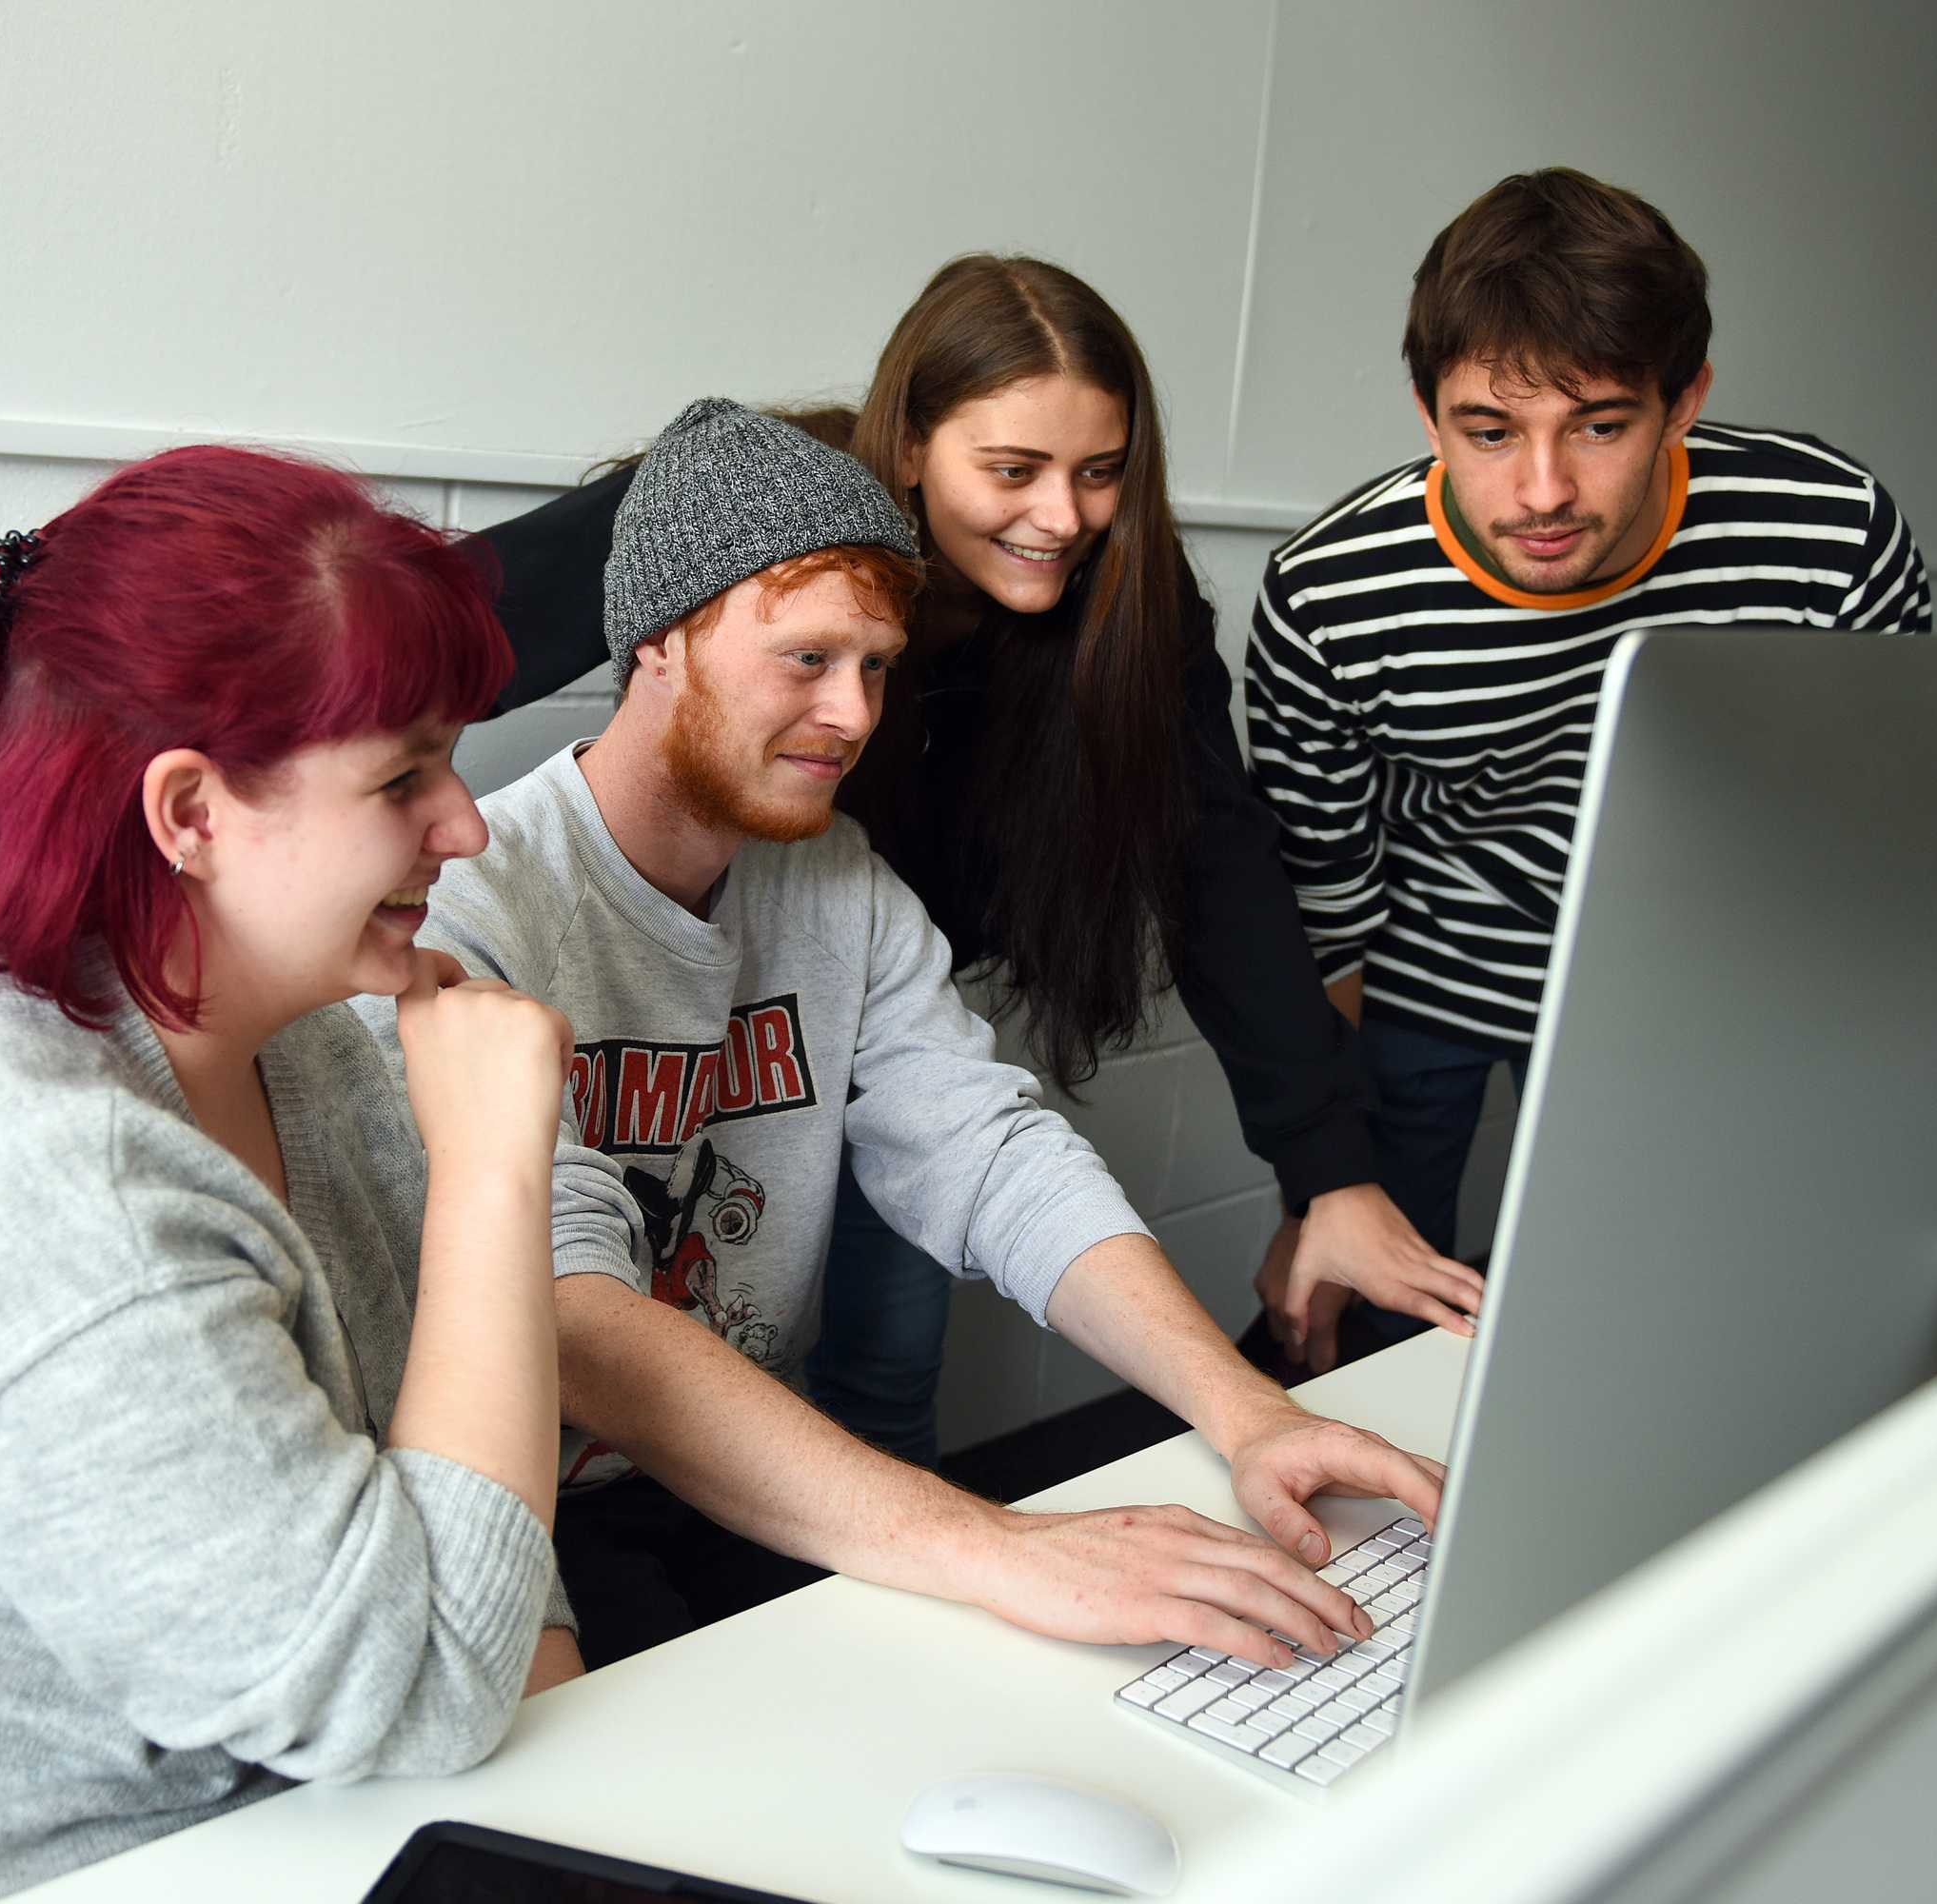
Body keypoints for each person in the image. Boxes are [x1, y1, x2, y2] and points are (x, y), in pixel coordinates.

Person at [0, 447, 590, 1903]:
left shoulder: (304, 1045)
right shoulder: (35, 1187)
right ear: (190, 813)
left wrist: (564, 1767)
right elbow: (422, 1688)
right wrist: (490, 1181)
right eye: (404, 777)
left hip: (275, 1827)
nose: (464, 824)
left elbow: (466, 1479)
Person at [368, 397, 1447, 1680]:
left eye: (876, 665)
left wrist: (1249, 1411)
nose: (851, 712)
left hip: (753, 1473)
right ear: (659, 638)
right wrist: (998, 1543)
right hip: (523, 1522)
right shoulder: (468, 904)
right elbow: (579, 1319)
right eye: (807, 659)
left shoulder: (839, 883)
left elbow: (990, 1155)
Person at [466, 255, 1476, 1467]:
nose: (1060, 516)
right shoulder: (756, 512)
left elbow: (1209, 880)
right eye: (1012, 469)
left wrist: (1317, 1199)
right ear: (907, 449)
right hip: (694, 1035)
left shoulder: (887, 874)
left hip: (873, 1004)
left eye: (1098, 472)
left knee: (886, 1371)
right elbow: (432, 627)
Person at [1246, 167, 1935, 1369]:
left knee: (1647, 1321)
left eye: (1601, 425)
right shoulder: (1329, 593)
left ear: (1684, 402)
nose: (1544, 491)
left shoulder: (1830, 539)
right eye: (1489, 431)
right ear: (1426, 413)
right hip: (1425, 966)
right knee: (1375, 1320)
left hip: (1689, 979)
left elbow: (1863, 837)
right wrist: (1321, 1185)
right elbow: (1326, 909)